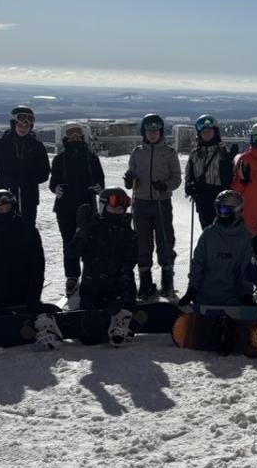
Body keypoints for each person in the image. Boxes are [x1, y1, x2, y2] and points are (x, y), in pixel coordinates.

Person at [124, 113, 182, 298]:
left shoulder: (169, 152)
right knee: (142, 241)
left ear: (161, 132)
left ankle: (167, 279)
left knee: (165, 240)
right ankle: (145, 281)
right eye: (149, 131)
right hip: (141, 202)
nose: (153, 134)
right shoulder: (137, 152)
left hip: (161, 202)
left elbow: (177, 178)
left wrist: (165, 186)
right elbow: (131, 176)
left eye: (156, 131)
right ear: (144, 132)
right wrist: (129, 181)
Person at [74, 189, 139, 340]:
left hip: (119, 290)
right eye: (113, 208)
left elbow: (128, 266)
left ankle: (123, 318)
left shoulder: (129, 234)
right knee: (90, 337)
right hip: (92, 290)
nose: (118, 212)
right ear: (103, 207)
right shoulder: (92, 230)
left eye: (121, 209)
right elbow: (72, 253)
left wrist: (121, 298)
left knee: (118, 324)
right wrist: (83, 230)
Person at [49, 122, 105, 296]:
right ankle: (72, 276)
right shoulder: (59, 160)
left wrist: (98, 187)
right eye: (70, 134)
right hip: (65, 207)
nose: (74, 137)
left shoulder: (91, 159)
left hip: (87, 204)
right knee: (69, 241)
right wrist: (56, 188)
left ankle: (91, 272)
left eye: (77, 134)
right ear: (65, 137)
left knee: (90, 240)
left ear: (83, 136)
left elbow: (100, 179)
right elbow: (53, 182)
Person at [179, 190, 256, 309]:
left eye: (225, 210)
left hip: (232, 303)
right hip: (205, 300)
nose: (221, 214)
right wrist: (192, 289)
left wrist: (246, 295)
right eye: (218, 209)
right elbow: (197, 265)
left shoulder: (246, 240)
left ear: (237, 211)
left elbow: (246, 271)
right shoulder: (208, 234)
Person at [0, 106, 50, 225]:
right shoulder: (1, 144)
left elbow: (44, 172)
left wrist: (29, 180)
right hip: (4, 197)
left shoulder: (37, 146)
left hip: (29, 195)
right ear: (13, 124)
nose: (23, 128)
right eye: (20, 125)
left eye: (27, 126)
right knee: (3, 227)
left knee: (27, 228)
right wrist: (4, 180)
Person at [184, 114, 238, 229]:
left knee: (222, 230)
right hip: (202, 197)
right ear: (199, 134)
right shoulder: (195, 154)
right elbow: (189, 173)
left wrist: (227, 164)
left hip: (221, 198)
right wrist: (188, 185)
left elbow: (233, 177)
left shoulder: (223, 152)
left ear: (215, 132)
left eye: (209, 131)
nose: (207, 134)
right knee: (207, 230)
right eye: (203, 132)